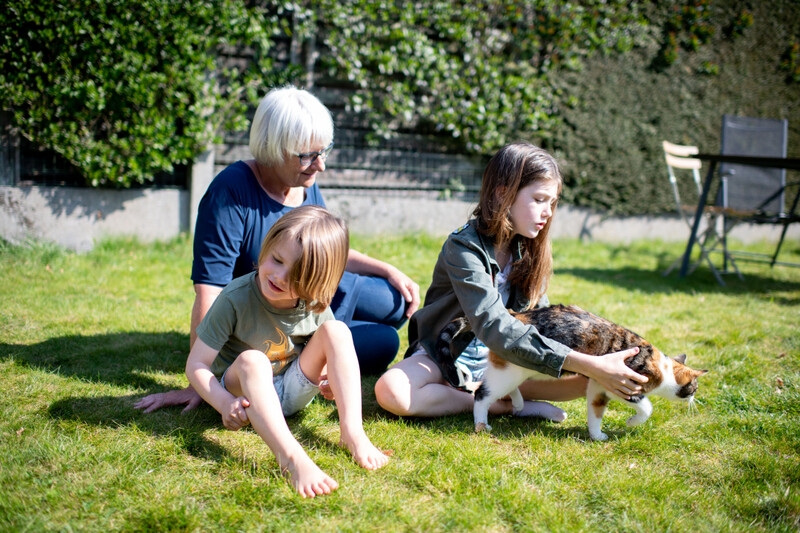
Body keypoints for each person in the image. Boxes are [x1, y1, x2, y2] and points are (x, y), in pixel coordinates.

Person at [135, 86, 419, 414]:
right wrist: (203, 382)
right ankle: (314, 346)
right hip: (270, 309)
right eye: (309, 156)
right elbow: (210, 290)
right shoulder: (230, 192)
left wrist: (387, 269)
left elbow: (326, 251)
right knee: (387, 343)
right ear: (274, 148)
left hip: (310, 296)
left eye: (324, 151)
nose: (320, 165)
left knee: (394, 302)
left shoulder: (304, 182)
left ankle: (324, 340)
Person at [374, 142, 648, 420]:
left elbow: (543, 322)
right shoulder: (463, 248)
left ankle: (485, 393)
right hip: (450, 355)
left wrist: (598, 364)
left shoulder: (530, 247)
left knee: (590, 380)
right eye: (539, 199)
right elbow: (494, 326)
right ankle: (501, 405)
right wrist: (585, 364)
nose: (548, 212)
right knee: (391, 391)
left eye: (552, 203)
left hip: (509, 362)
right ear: (503, 194)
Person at [185, 205, 389, 498]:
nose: (279, 276)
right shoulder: (235, 298)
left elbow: (329, 346)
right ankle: (290, 457)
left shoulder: (312, 303)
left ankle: (352, 433)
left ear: (315, 283)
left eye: (296, 276)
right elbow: (196, 365)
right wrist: (223, 402)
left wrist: (328, 375)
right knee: (253, 360)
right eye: (276, 259)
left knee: (338, 331)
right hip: (245, 396)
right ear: (266, 247)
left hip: (291, 389)